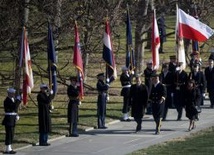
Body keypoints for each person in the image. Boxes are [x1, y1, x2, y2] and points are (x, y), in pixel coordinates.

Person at [2, 88, 21, 154]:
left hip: (12, 118)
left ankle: (9, 148)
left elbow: (15, 109)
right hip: (9, 119)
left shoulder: (12, 99)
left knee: (11, 133)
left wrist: (16, 115)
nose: (13, 94)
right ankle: (8, 149)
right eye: (12, 93)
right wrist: (18, 100)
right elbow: (14, 107)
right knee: (9, 134)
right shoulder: (7, 100)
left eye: (14, 93)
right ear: (9, 93)